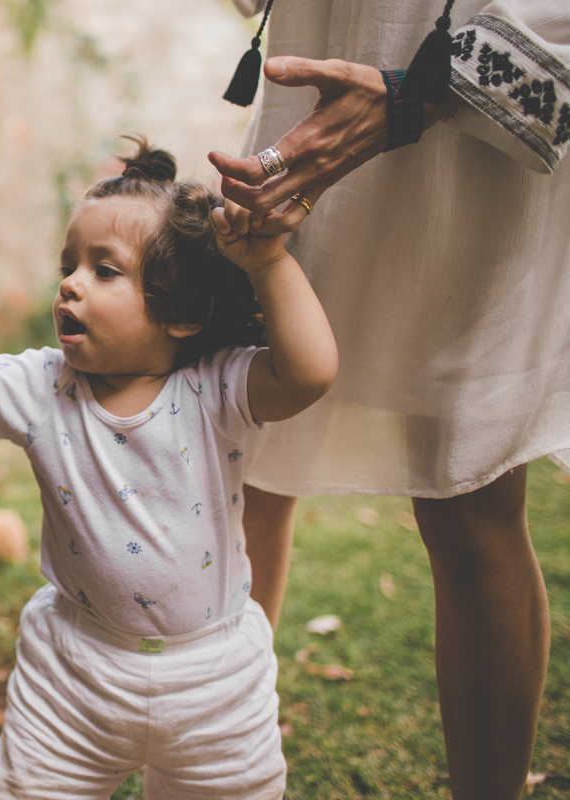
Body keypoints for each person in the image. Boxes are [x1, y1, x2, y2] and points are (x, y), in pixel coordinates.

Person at [0, 138, 337, 799]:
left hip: (215, 681)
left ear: (182, 313)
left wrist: (269, 262)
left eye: (103, 271)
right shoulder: (42, 385)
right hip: (75, 673)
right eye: (70, 264)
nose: (70, 282)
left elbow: (310, 372)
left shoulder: (217, 392)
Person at [206, 1, 570, 798]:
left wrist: (420, 91)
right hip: (312, 111)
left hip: (465, 155)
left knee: (467, 494)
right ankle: (218, 759)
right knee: (244, 441)